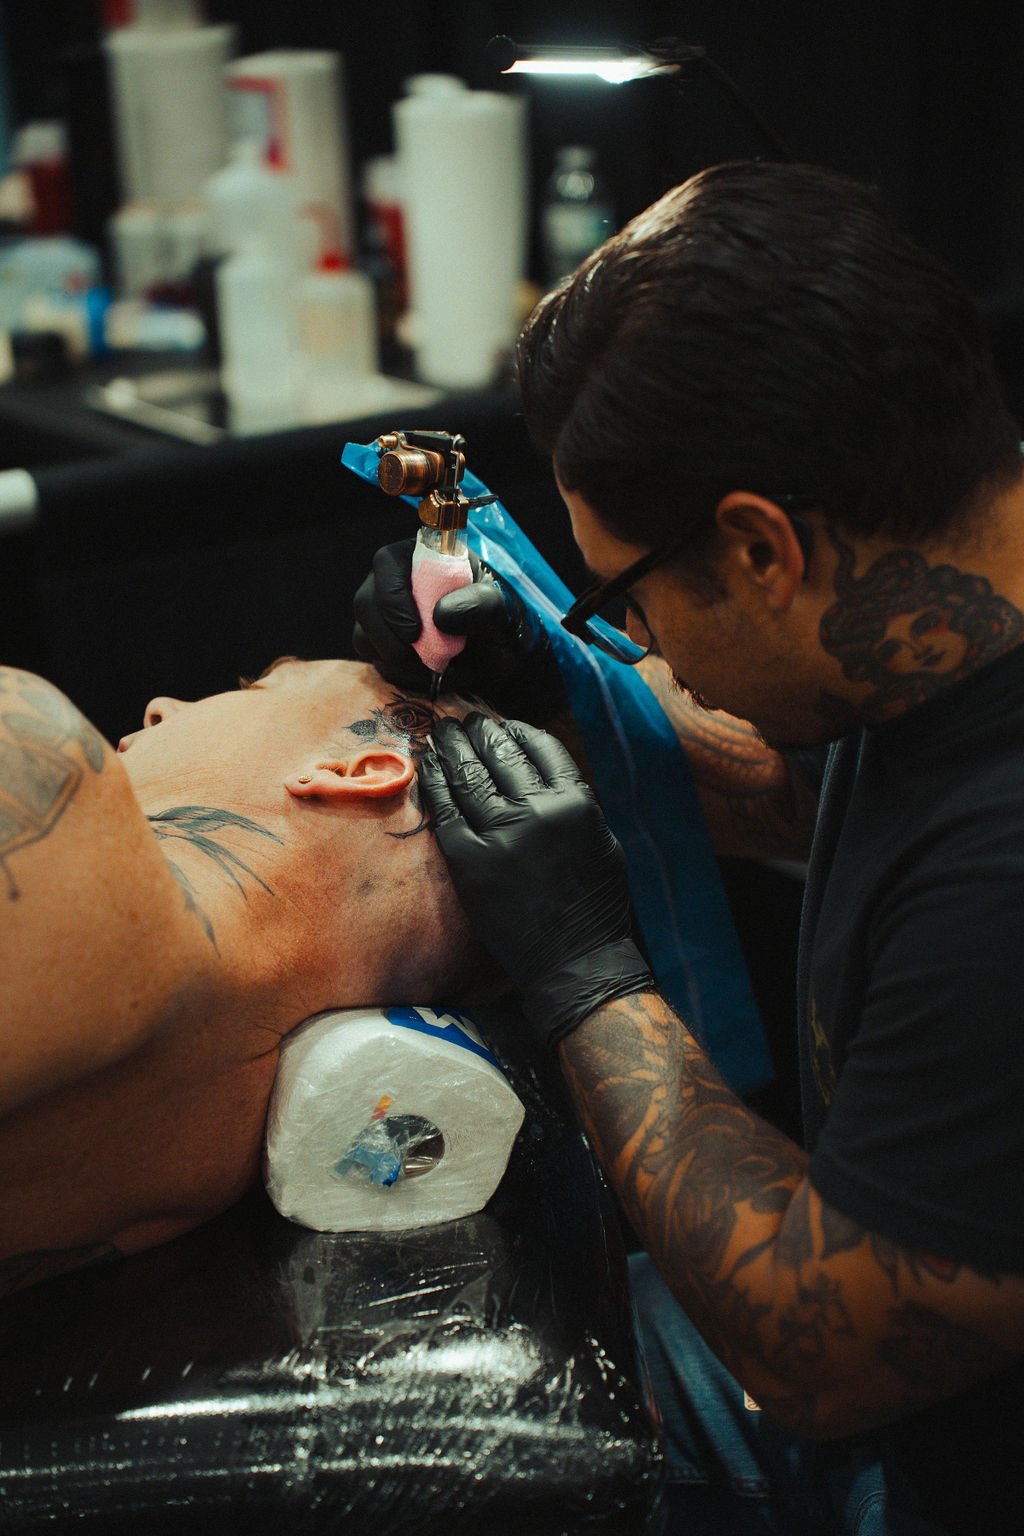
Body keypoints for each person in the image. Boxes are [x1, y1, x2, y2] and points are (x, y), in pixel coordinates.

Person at [352, 161, 1024, 1535]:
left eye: (629, 596)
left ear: (762, 547)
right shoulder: (956, 619)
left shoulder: (1003, 881)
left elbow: (821, 1356)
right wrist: (563, 693)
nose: (636, 640)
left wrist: (586, 970)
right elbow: (817, 796)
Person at [0, 656, 496, 1297]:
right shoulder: (195, 1183)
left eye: (255, 689)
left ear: (356, 771)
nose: (161, 707)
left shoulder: (35, 757)